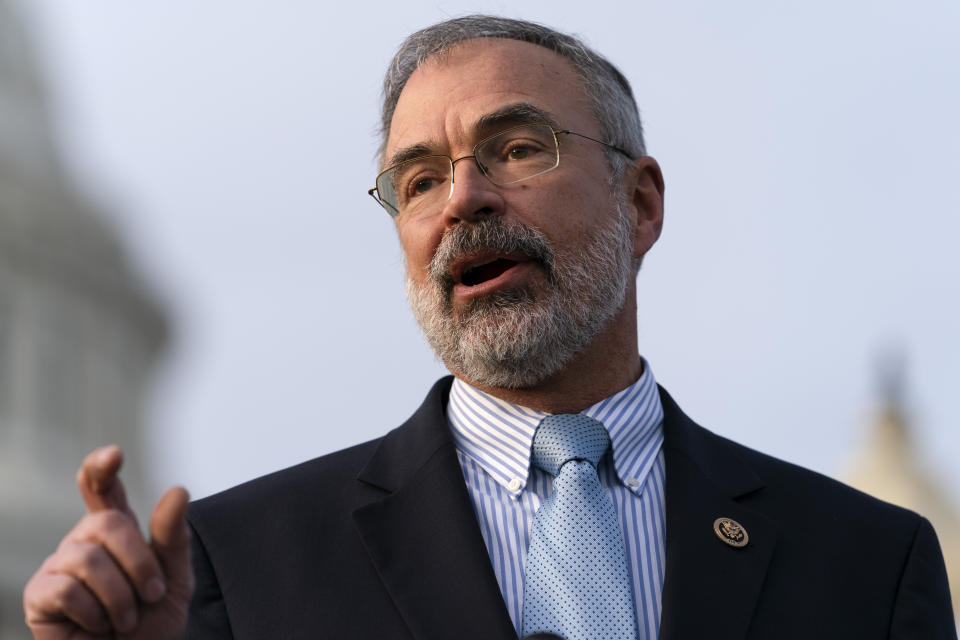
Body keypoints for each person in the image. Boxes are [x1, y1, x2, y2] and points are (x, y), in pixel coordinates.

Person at [23, 15, 956, 640]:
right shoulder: (242, 567)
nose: (463, 197)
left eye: (517, 148)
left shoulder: (866, 563)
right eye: (420, 179)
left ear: (641, 203)